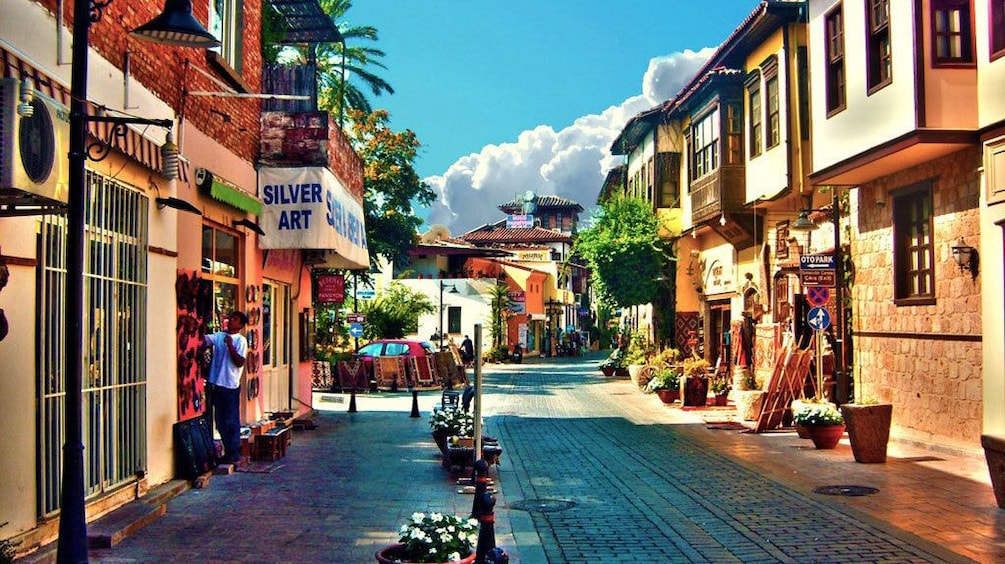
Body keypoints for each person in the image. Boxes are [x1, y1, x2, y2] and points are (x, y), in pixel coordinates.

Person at [204, 311, 248, 465]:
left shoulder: (241, 341)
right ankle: (226, 450)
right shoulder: (220, 336)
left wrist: (230, 347)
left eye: (235, 319)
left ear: (241, 325)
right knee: (220, 420)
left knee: (231, 420)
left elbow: (240, 362)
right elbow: (206, 341)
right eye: (231, 318)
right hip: (216, 383)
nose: (231, 321)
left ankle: (233, 452)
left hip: (230, 385)